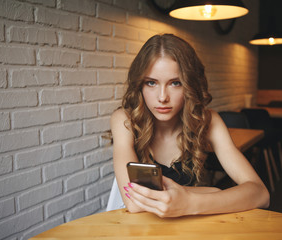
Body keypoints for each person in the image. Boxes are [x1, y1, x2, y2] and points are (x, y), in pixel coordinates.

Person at [110, 33, 269, 218]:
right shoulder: (124, 120)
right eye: (151, 83)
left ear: (190, 84)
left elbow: (260, 194)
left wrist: (191, 202)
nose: (162, 97)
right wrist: (212, 193)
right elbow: (135, 203)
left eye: (175, 83)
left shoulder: (208, 120)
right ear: (140, 85)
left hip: (185, 225)